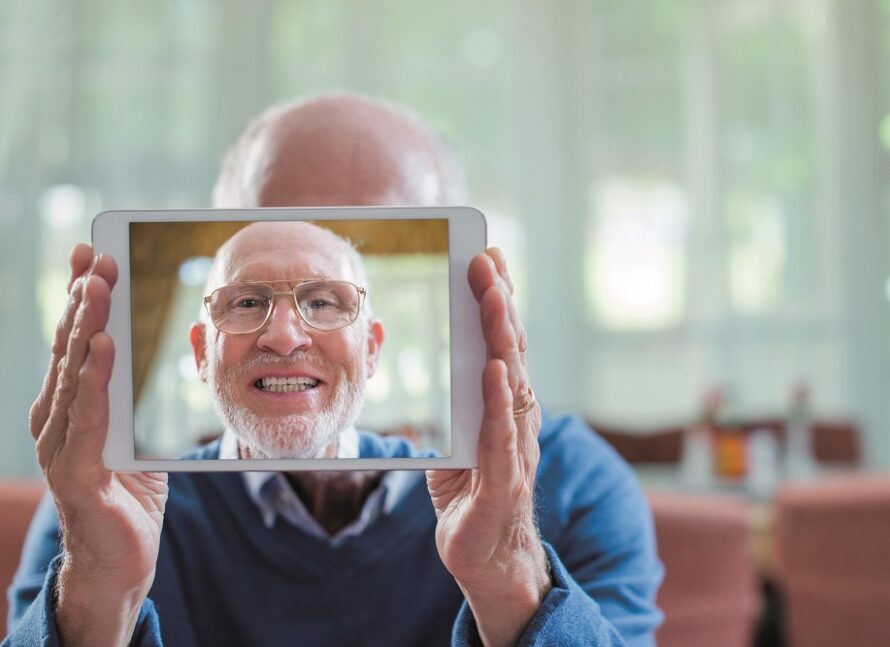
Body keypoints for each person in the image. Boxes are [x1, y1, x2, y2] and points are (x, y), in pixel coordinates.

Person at [7, 94, 663, 646]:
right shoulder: (105, 502)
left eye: (327, 297)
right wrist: (96, 600)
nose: (287, 334)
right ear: (203, 345)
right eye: (251, 295)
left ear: (375, 341)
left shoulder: (573, 480)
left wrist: (512, 576)